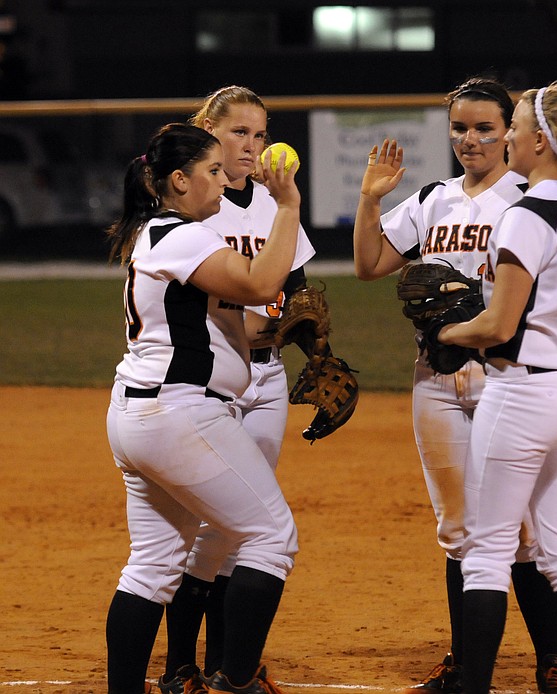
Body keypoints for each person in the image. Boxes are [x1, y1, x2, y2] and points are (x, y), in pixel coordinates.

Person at [353, 77, 557, 694]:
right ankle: (464, 665)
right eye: (459, 128)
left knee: (525, 530)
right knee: (458, 529)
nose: (470, 139)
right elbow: (369, 266)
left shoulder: (531, 198)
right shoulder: (433, 199)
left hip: (509, 375)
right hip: (436, 380)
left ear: (511, 132)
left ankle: (551, 664)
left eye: (483, 127)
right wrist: (370, 201)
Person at [104, 122, 300, 694]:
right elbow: (263, 280)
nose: (222, 181)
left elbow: (233, 313)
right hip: (177, 414)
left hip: (140, 413)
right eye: (211, 171)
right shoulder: (184, 236)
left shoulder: (157, 233)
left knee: (154, 562)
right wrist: (286, 204)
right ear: (178, 181)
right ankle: (234, 682)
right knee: (270, 537)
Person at [434, 81, 557, 694]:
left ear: (540, 141)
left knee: (486, 553)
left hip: (526, 394)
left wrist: (450, 333)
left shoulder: (526, 214)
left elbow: (499, 324)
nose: (504, 136)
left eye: (511, 127)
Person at [155, 85, 316, 694]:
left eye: (260, 133)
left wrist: (320, 354)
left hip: (268, 377)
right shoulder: (199, 204)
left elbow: (295, 292)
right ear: (210, 132)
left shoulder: (276, 203)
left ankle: (229, 666)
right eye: (239, 133)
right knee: (208, 530)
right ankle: (180, 667)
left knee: (236, 530)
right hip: (212, 378)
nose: (252, 145)